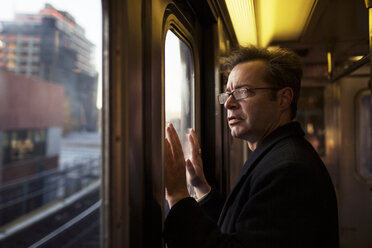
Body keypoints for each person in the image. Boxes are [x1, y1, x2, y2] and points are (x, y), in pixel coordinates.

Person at [164, 46, 339, 248]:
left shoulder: (289, 170)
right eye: (228, 93)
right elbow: (241, 228)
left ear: (283, 99)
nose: (228, 103)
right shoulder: (274, 154)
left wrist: (178, 196)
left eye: (242, 91)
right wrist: (201, 186)